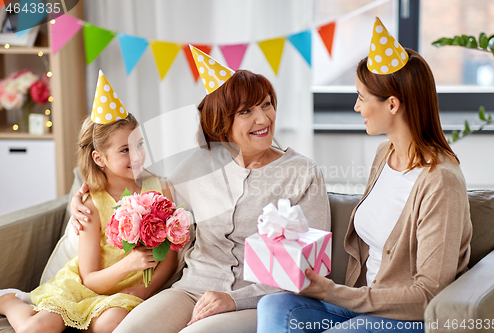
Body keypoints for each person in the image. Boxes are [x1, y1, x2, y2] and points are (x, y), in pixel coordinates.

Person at [69, 47, 331, 333]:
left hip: (257, 301)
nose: (264, 119)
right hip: (190, 290)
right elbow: (143, 196)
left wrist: (233, 299)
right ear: (223, 122)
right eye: (246, 111)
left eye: (267, 104)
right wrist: (82, 197)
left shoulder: (303, 173)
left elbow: (309, 269)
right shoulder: (195, 169)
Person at [256, 18, 472, 333]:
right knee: (275, 305)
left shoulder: (440, 181)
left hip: (408, 321)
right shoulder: (384, 154)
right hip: (364, 306)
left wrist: (333, 292)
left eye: (362, 97)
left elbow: (428, 295)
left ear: (393, 104)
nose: (357, 107)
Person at [0, 71, 178, 333]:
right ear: (99, 158)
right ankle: (8, 300)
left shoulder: (160, 190)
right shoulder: (91, 205)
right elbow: (91, 280)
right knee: (35, 329)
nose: (138, 155)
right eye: (125, 150)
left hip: (126, 293)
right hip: (83, 287)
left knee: (112, 323)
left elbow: (170, 259)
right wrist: (128, 264)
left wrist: (143, 289)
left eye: (139, 144)